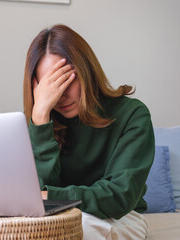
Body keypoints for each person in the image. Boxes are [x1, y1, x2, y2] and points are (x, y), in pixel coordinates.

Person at [23, 24, 155, 239]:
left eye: (67, 79)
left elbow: (119, 196)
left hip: (121, 216)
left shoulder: (133, 114)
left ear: (87, 71)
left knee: (81, 228)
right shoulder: (41, 121)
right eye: (51, 85)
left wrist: (50, 196)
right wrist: (39, 119)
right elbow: (37, 199)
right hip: (53, 216)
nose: (60, 95)